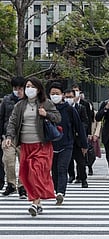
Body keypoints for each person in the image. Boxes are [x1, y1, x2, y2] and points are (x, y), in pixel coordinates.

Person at [4, 77, 61, 216]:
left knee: (36, 171)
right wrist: (9, 137)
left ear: (38, 89)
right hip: (25, 145)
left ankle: (34, 203)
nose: (29, 89)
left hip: (41, 145)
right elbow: (12, 122)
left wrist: (46, 114)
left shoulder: (45, 103)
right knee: (27, 175)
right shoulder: (20, 105)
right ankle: (38, 202)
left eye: (32, 86)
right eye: (27, 86)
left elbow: (58, 117)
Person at [48, 83, 87, 205]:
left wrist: (84, 144)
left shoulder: (69, 109)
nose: (55, 96)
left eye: (57, 94)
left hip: (67, 144)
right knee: (54, 170)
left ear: (62, 95)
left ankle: (61, 192)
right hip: (51, 145)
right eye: (52, 94)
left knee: (62, 168)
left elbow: (79, 127)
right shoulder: (46, 109)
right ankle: (56, 189)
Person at [1, 76, 26, 197]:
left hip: (25, 136)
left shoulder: (28, 101)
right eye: (15, 88)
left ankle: (22, 186)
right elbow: (1, 118)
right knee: (8, 160)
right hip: (8, 136)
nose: (18, 90)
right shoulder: (6, 100)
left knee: (24, 162)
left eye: (20, 88)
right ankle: (11, 184)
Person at [67, 89, 89, 188]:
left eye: (71, 97)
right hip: (67, 138)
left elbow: (85, 121)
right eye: (67, 97)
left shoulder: (81, 108)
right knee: (68, 159)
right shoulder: (63, 108)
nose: (69, 99)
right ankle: (71, 175)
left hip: (78, 138)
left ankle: (83, 178)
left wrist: (80, 130)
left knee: (80, 160)